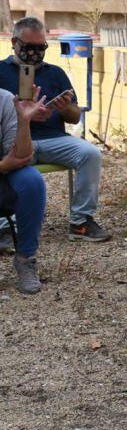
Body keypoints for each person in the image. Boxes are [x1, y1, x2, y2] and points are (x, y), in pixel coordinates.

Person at [0, 17, 111, 245]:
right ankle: (7, 228)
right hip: (14, 141)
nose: (35, 53)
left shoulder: (56, 73)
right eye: (29, 47)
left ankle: (81, 222)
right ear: (14, 42)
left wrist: (64, 109)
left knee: (90, 154)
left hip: (53, 139)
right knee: (6, 163)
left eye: (41, 48)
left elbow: (75, 116)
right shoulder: (1, 71)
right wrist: (23, 118)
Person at [0, 85, 49, 293]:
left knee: (31, 180)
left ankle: (25, 259)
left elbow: (22, 156)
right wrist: (3, 166)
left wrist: (24, 122)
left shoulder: (4, 99)